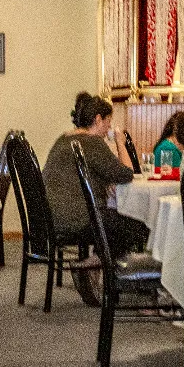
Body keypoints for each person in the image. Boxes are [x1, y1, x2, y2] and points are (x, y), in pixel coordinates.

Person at [43, 92, 147, 262]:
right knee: (137, 224)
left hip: (52, 216)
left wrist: (105, 183)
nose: (108, 129)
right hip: (78, 219)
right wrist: (120, 142)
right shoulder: (92, 142)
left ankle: (95, 265)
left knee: (114, 220)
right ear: (98, 119)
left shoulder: (63, 139)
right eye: (108, 122)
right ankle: (95, 265)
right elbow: (128, 173)